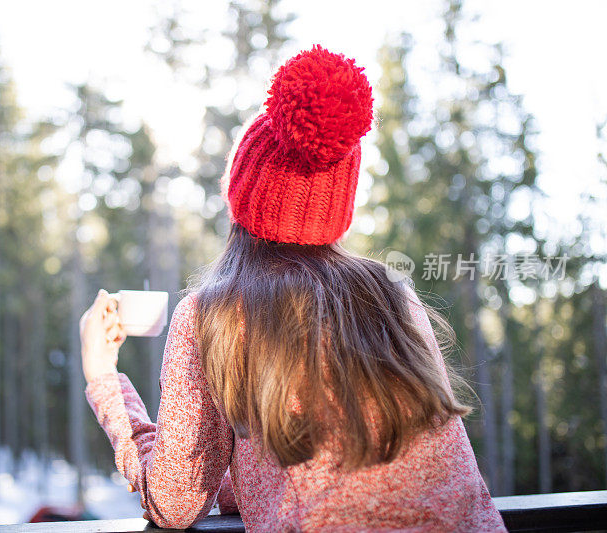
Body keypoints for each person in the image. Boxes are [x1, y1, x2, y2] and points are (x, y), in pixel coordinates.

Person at [79, 45, 507, 532]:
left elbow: (174, 503)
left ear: (240, 196)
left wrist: (104, 381)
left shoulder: (213, 316)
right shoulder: (394, 296)